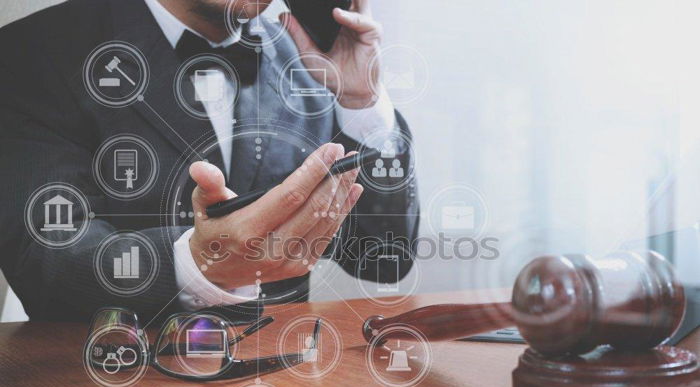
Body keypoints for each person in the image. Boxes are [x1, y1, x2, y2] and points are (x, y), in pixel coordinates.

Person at [0, 0, 419, 321]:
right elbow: (43, 257)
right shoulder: (31, 51)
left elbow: (383, 257)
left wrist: (362, 103)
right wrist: (199, 264)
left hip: (281, 385)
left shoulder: (307, 60)